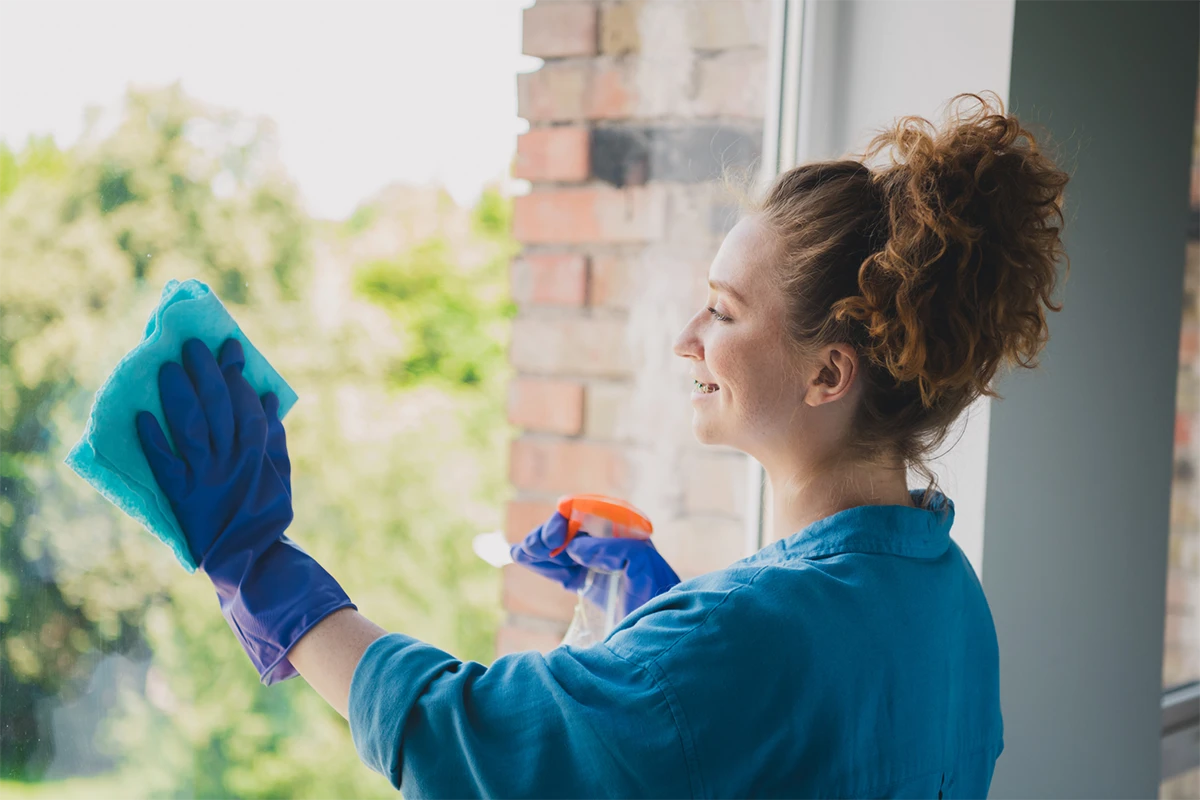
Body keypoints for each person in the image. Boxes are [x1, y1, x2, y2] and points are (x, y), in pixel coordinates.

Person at [136, 94, 1068, 798]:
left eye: (725, 310)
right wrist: (659, 640)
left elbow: (464, 740)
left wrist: (260, 571)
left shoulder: (739, 639)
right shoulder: (951, 600)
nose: (686, 336)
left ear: (830, 374)